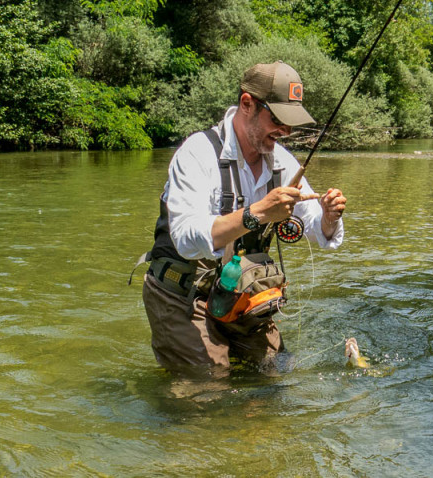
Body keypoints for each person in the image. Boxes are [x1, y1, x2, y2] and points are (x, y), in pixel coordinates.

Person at [142, 61, 346, 373]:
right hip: (182, 295)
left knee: (278, 373)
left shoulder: (282, 162)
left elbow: (317, 228)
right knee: (209, 386)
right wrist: (259, 212)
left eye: (291, 123)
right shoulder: (198, 153)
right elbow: (185, 239)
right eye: (277, 119)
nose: (286, 131)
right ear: (247, 104)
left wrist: (329, 218)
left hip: (239, 294)